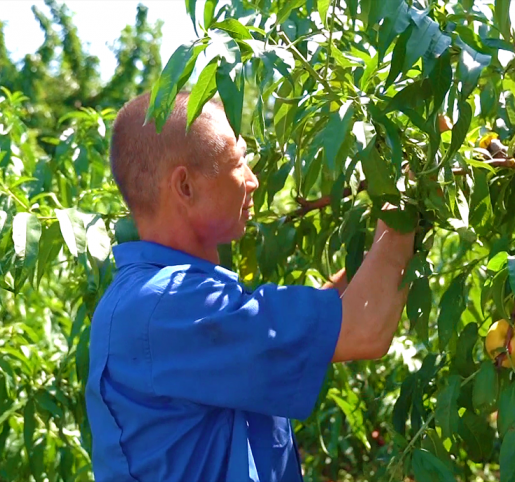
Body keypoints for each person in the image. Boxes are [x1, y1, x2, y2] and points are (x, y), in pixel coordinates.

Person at [85, 92, 415, 482]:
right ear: (185, 187)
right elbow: (364, 329)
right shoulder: (169, 305)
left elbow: (323, 325)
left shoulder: (164, 299)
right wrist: (406, 194)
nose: (253, 180)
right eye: (238, 162)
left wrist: (391, 244)